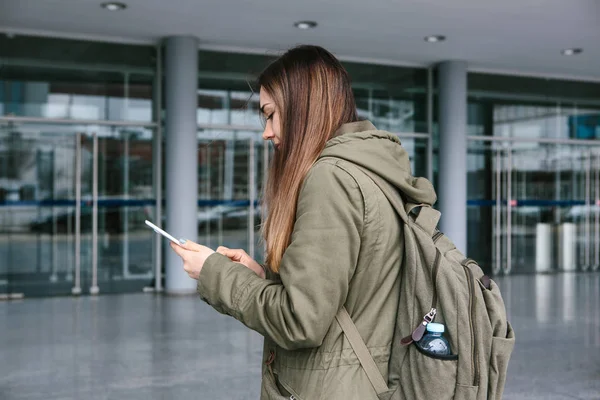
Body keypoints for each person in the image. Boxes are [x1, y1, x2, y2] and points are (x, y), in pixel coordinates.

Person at [170, 45, 436, 399]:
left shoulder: (331, 178)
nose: (266, 131)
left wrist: (213, 272)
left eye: (271, 114)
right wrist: (263, 276)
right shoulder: (370, 170)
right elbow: (349, 289)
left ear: (302, 110)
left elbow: (301, 321)